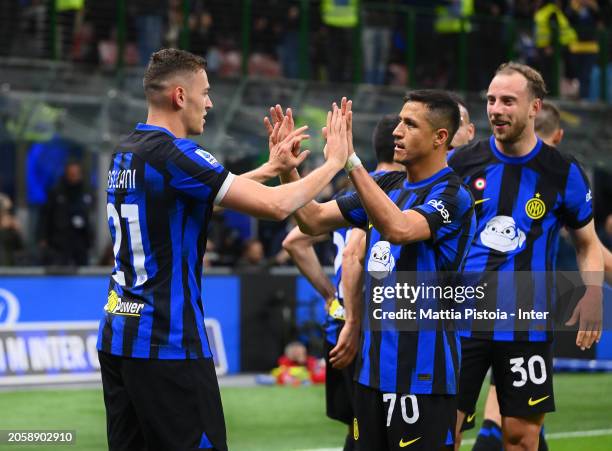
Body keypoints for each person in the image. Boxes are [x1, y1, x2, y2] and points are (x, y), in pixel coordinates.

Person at [96, 48, 351, 451]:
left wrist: (268, 170)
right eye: (205, 92)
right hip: (168, 339)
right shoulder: (176, 154)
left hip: (117, 334)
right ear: (181, 96)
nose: (210, 102)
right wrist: (335, 163)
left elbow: (200, 195)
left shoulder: (127, 152)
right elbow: (277, 206)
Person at [279, 91, 476, 450]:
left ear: (440, 138)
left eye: (410, 124)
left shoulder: (453, 195)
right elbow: (311, 219)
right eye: (399, 121)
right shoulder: (387, 185)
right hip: (370, 375)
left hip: (423, 379)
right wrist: (287, 168)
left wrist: (350, 161)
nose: (397, 132)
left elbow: (399, 229)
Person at [449, 62, 603, 451]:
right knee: (441, 433)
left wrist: (594, 293)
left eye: (508, 101)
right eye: (491, 100)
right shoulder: (462, 163)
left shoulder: (563, 172)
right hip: (462, 321)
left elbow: (587, 243)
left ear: (535, 107)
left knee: (521, 439)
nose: (496, 109)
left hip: (527, 326)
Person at [282, 114, 403, 451]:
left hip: (340, 319)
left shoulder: (356, 190)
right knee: (374, 429)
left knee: (361, 429)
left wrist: (329, 294)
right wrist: (351, 314)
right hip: (363, 325)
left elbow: (294, 241)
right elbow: (352, 253)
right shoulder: (380, 193)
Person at [38, 161, 93, 266]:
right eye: (71, 174)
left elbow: (88, 217)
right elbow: (45, 216)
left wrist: (89, 239)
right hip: (59, 240)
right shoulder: (56, 192)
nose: (74, 177)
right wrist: (43, 237)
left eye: (76, 174)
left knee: (83, 267)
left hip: (80, 239)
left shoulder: (85, 193)